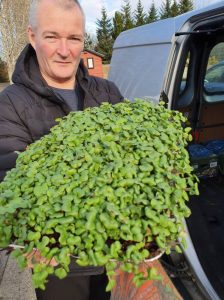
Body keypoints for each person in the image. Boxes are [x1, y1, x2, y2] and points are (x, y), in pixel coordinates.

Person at [0, 0, 123, 299]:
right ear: (32, 36)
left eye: (74, 38)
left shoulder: (107, 91)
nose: (65, 50)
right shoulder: (10, 105)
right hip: (59, 263)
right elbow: (12, 184)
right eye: (52, 36)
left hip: (118, 252)